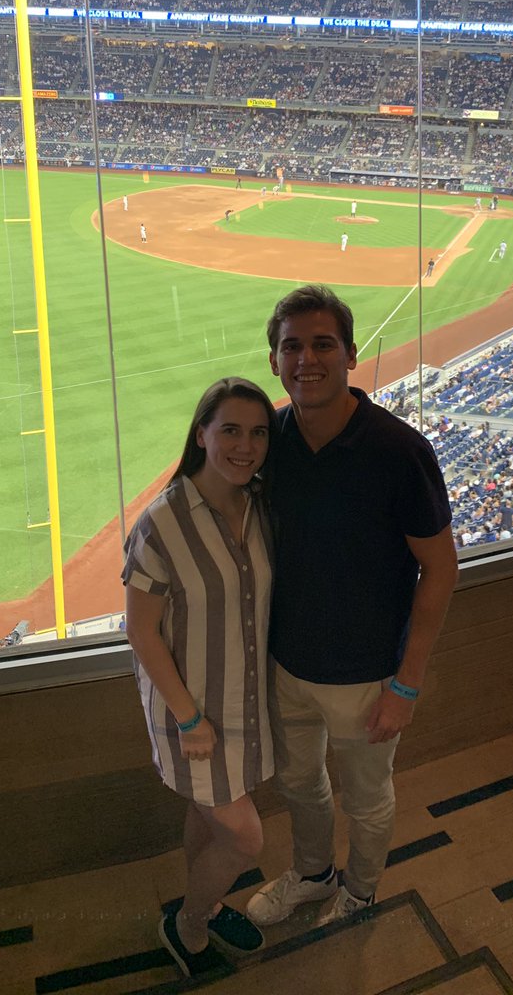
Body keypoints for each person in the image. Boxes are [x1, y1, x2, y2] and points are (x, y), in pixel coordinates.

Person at [247, 285, 457, 929]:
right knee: (299, 785)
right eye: (292, 347)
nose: (306, 359)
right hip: (287, 665)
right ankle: (313, 875)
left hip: (367, 677)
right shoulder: (270, 439)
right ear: (275, 361)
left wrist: (407, 685)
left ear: (350, 354)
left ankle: (360, 892)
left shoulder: (399, 450)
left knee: (366, 801)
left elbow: (441, 568)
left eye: (322, 344)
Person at [124, 377, 279, 978]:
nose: (245, 446)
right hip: (190, 714)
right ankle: (188, 923)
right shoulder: (161, 523)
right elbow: (141, 632)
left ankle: (207, 904)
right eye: (230, 430)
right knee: (245, 838)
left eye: (258, 433)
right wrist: (189, 719)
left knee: (205, 815)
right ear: (201, 436)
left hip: (244, 704)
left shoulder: (260, 505)